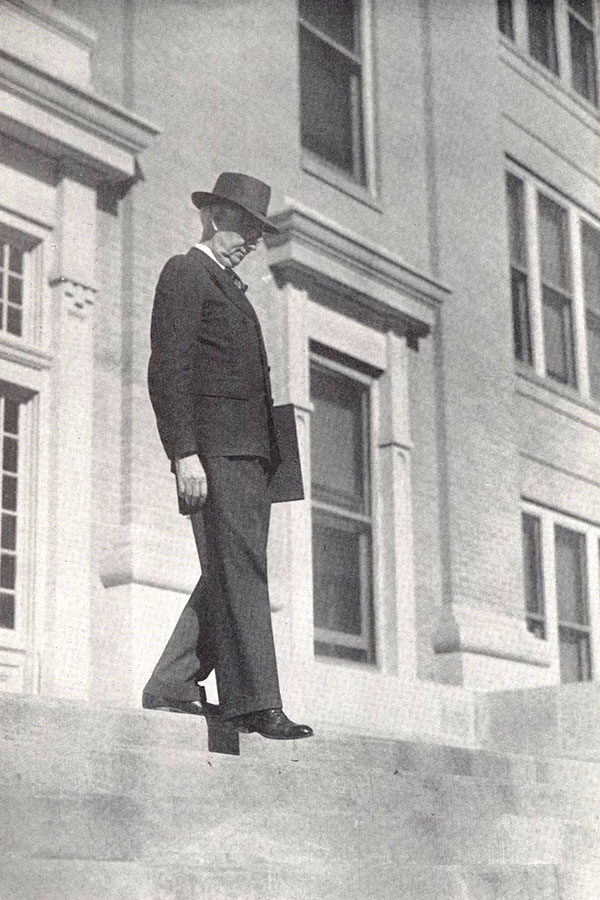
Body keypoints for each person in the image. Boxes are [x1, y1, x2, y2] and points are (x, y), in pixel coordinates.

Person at [141, 172, 313, 741]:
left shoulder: (229, 287)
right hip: (216, 454)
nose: (251, 242)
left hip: (252, 457)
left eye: (258, 234)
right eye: (244, 227)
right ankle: (255, 704)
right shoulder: (186, 273)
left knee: (229, 571)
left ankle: (171, 684)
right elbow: (168, 369)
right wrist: (184, 454)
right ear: (214, 218)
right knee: (241, 572)